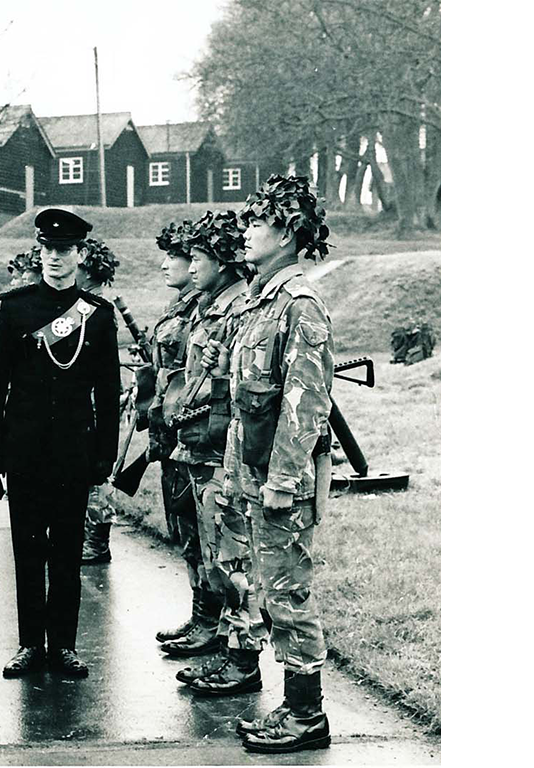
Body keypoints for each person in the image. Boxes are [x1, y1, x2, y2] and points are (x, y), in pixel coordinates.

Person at [204, 175, 335, 753]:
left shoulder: (299, 306)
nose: (247, 231)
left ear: (287, 232)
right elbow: (244, 407)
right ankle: (292, 705)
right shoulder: (259, 301)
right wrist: (233, 479)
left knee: (289, 596)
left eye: (258, 221)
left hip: (283, 482)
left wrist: (283, 480)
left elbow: (304, 403)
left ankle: (307, 715)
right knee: (265, 589)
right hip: (251, 473)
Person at [0, 208, 120, 679]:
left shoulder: (98, 316)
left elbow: (108, 390)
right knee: (26, 550)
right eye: (47, 250)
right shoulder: (15, 308)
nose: (54, 259)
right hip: (24, 451)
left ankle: (63, 644)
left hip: (72, 451)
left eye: (64, 251)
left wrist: (104, 453)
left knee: (66, 551)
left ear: (80, 255)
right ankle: (29, 644)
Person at [160, 211, 265, 696]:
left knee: (231, 555)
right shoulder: (204, 308)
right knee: (206, 546)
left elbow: (235, 385)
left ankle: (234, 652)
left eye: (198, 256)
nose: (188, 264)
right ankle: (219, 638)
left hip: (219, 447)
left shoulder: (238, 310)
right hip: (197, 442)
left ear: (223, 262)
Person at [143, 221, 221, 658]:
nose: (170, 265)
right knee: (185, 531)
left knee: (202, 531)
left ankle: (211, 622)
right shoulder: (182, 306)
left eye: (180, 256)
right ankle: (201, 614)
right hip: (173, 438)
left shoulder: (204, 308)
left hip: (194, 436)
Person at [74, 237, 123, 565]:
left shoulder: (97, 307)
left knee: (97, 478)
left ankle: (96, 541)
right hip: (87, 404)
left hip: (93, 404)